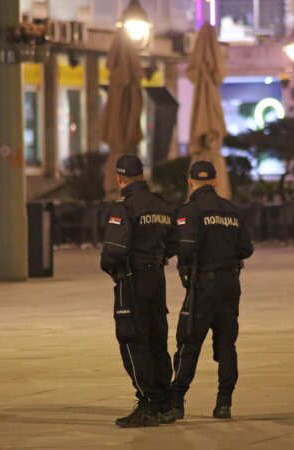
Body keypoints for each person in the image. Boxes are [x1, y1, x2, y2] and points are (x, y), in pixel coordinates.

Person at [171, 160, 254, 420]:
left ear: (190, 181)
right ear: (215, 182)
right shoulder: (232, 210)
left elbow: (185, 247)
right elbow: (246, 249)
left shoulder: (190, 210)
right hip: (230, 284)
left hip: (203, 285)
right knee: (227, 344)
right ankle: (224, 402)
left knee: (189, 342)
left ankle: (176, 402)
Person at [100, 154, 178, 428]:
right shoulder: (161, 204)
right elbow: (174, 243)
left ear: (120, 178)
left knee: (133, 340)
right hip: (156, 277)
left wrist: (110, 268)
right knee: (157, 338)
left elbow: (114, 250)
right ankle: (164, 402)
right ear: (142, 175)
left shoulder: (125, 206)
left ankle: (148, 402)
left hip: (131, 278)